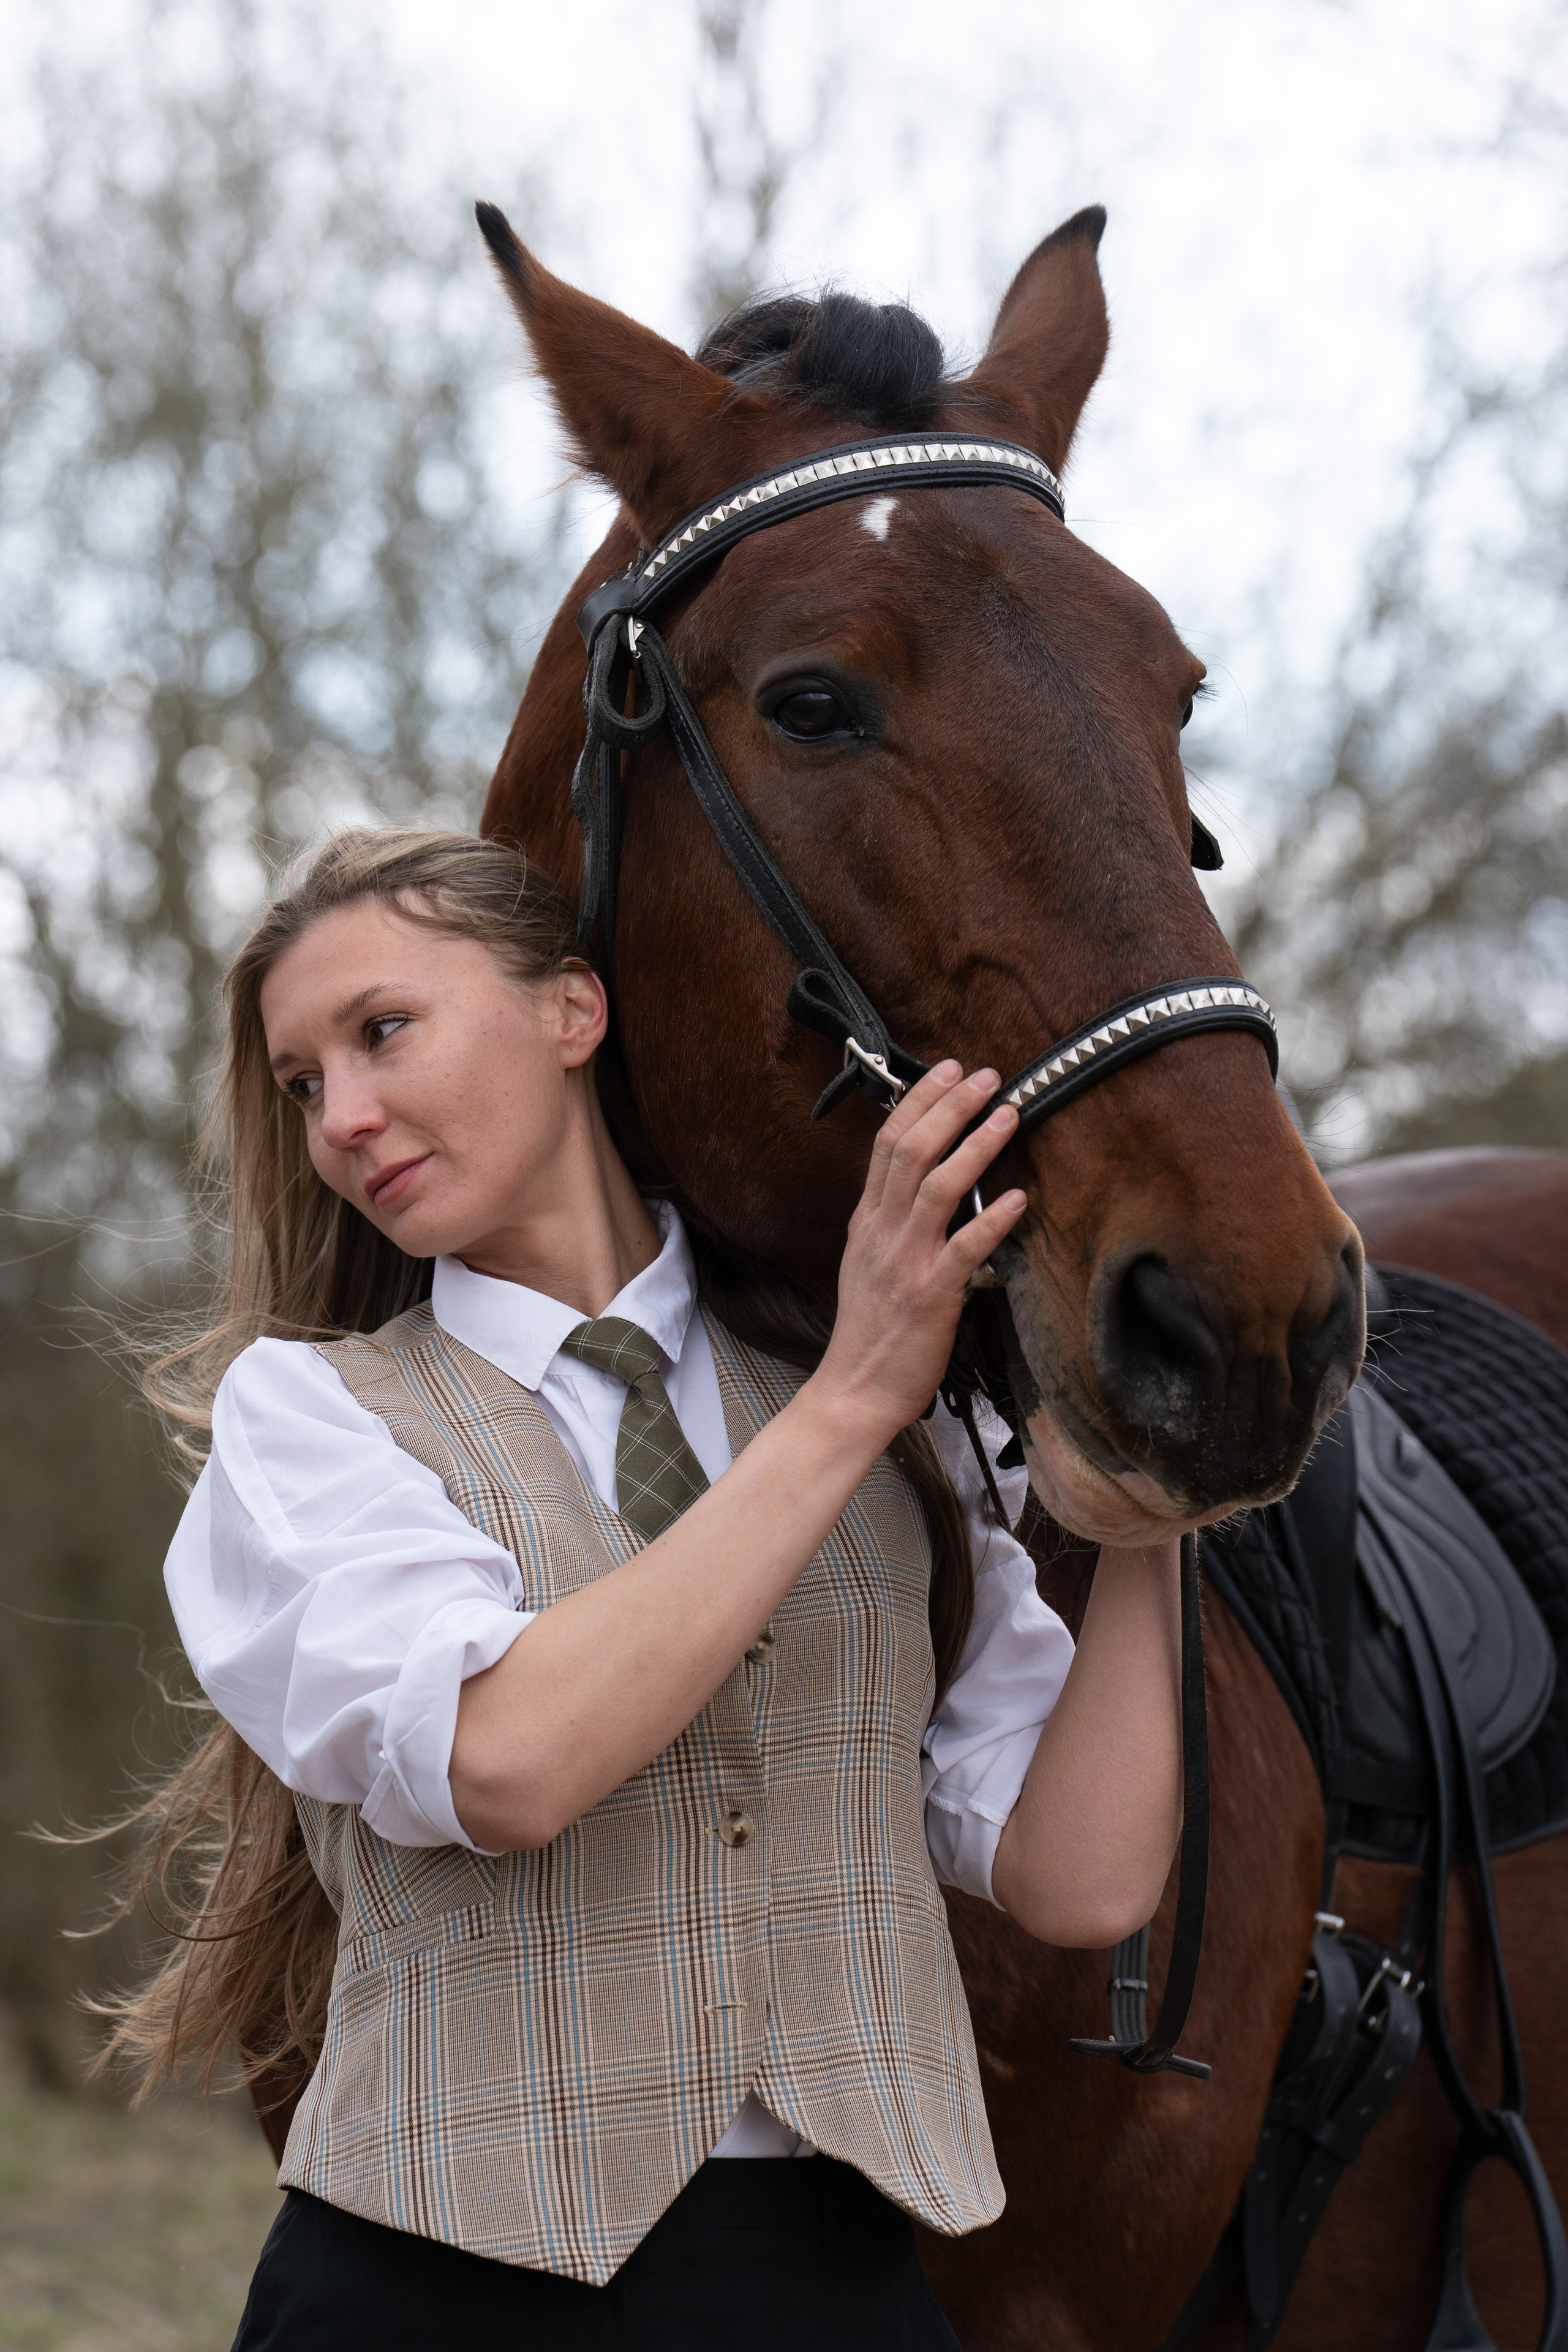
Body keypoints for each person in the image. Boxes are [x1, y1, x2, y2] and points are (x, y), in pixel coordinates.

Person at [120, 827, 1186, 2350]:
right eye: (303, 1086)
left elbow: (1073, 1878)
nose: (345, 1117)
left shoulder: (875, 1423)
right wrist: (851, 1394)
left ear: (573, 1011)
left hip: (843, 2284)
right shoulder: (308, 1420)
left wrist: (1153, 1504)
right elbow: (507, 1760)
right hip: (443, 2292)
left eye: (383, 1031)